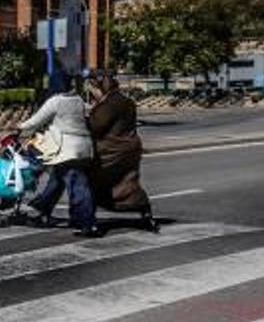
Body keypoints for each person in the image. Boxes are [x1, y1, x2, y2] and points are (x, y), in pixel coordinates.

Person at [17, 77, 100, 237]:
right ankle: (42, 210)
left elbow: (37, 120)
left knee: (77, 185)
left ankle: (86, 223)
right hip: (84, 147)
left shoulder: (56, 101)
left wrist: (19, 127)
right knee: (57, 180)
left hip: (67, 150)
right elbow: (90, 113)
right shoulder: (78, 100)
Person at [87, 72, 158, 232]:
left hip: (111, 150)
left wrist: (90, 113)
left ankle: (88, 219)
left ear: (100, 87)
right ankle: (145, 213)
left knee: (91, 181)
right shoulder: (126, 101)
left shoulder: (108, 105)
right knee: (128, 182)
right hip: (130, 147)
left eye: (92, 88)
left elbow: (95, 127)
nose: (92, 92)